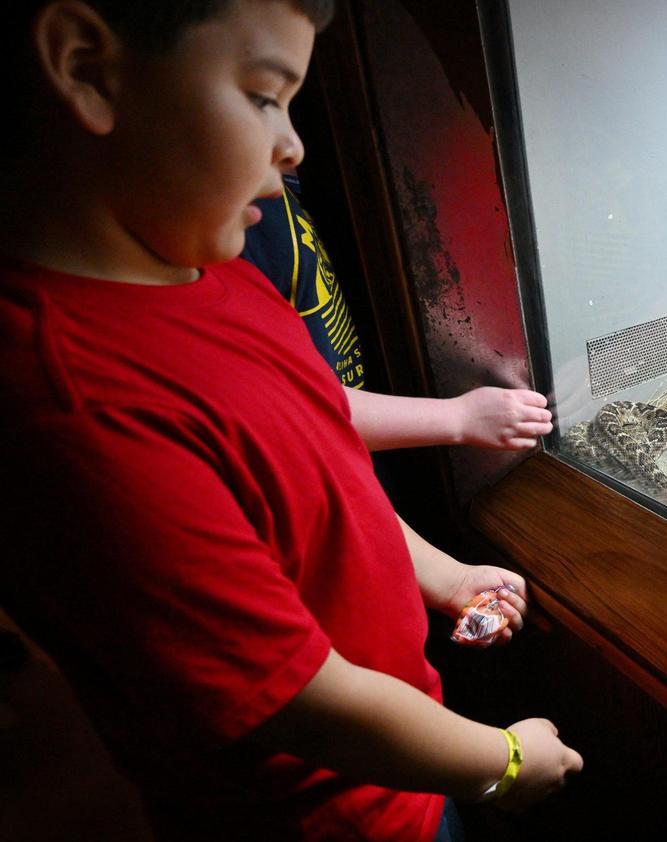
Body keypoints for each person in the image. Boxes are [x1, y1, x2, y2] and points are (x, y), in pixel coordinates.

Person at [0, 2, 582, 841]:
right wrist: (506, 763)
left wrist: (436, 572)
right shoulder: (73, 409)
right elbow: (307, 703)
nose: (294, 144)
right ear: (89, 67)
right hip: (330, 814)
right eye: (265, 95)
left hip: (414, 765)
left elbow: (314, 454)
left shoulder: (207, 268)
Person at [242, 173, 553, 452]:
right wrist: (460, 418)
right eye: (264, 107)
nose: (290, 147)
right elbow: (281, 407)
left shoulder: (299, 190)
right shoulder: (240, 227)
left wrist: (482, 359)